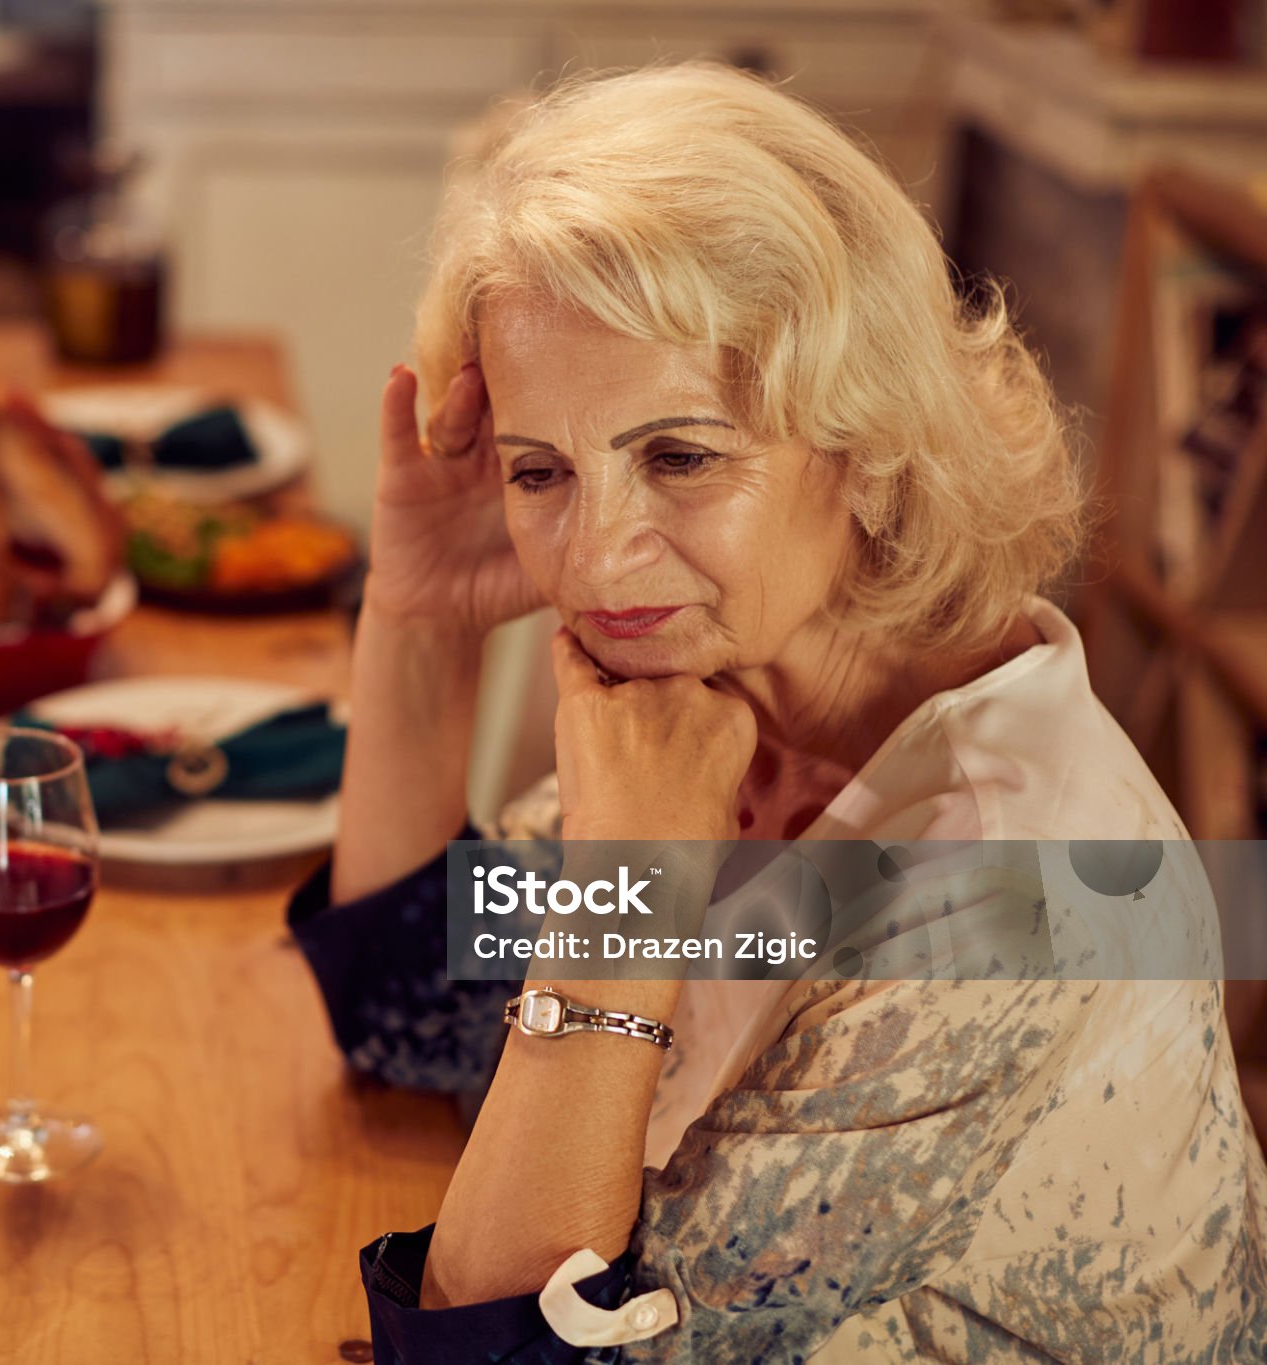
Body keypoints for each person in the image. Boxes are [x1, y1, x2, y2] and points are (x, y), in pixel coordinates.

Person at [290, 63, 1267, 1361]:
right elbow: (420, 1002)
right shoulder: (725, 701)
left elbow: (525, 1346)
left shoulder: (1021, 891)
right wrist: (417, 618)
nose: (591, 559)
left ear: (865, 445)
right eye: (544, 471)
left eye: (682, 455)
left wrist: (623, 892)